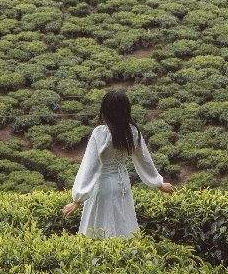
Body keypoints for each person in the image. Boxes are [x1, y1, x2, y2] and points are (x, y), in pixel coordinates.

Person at [62, 88, 174, 237]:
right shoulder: (132, 132)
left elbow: (89, 166)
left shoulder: (101, 133)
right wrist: (158, 183)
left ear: (105, 109)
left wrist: (77, 200)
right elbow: (144, 160)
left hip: (102, 187)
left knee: (98, 230)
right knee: (123, 225)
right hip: (123, 185)